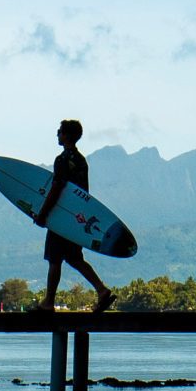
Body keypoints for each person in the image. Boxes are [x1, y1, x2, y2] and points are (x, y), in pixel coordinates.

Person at [33, 118, 114, 313]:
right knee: (74, 258)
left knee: (54, 258)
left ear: (66, 135)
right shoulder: (81, 160)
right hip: (77, 218)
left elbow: (57, 187)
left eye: (59, 131)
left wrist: (43, 214)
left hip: (61, 217)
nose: (57, 135)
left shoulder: (62, 160)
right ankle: (102, 290)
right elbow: (82, 192)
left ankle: (48, 303)